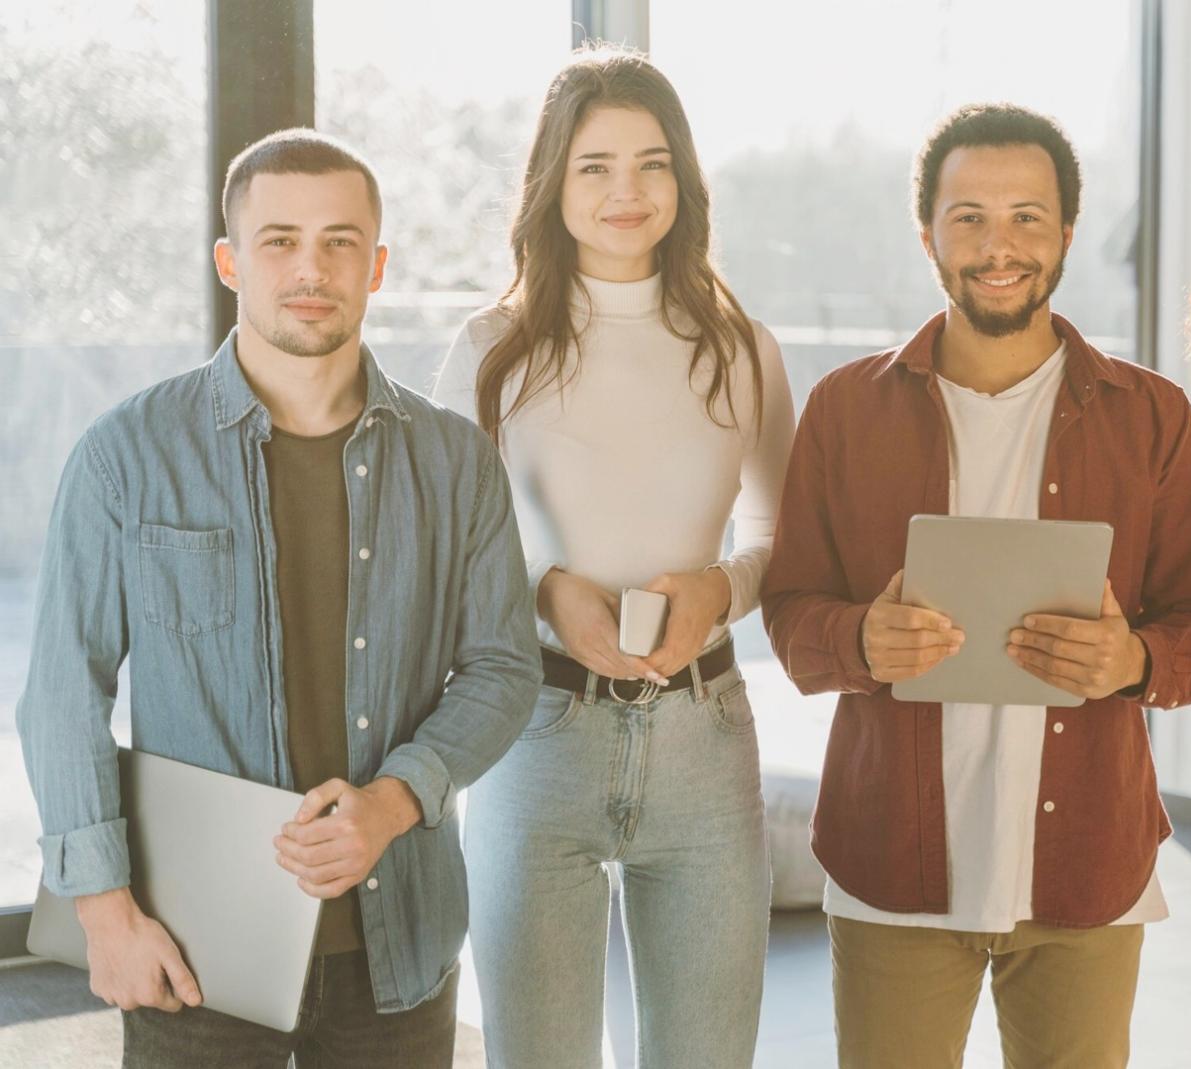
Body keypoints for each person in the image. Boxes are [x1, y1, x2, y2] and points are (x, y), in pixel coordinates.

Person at [17, 129, 544, 1067]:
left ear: (376, 265)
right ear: (230, 262)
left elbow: (504, 666)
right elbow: (62, 693)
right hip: (193, 948)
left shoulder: (456, 461)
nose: (312, 268)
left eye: (340, 241)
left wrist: (393, 801)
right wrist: (104, 912)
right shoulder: (125, 454)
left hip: (399, 947)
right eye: (280, 241)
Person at [759, 103, 1191, 1069]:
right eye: (968, 217)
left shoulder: (1151, 415)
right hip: (889, 859)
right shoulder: (844, 408)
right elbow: (789, 605)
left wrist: (1133, 659)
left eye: (1026, 217)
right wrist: (857, 640)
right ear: (927, 233)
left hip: (1086, 864)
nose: (998, 246)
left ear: (1066, 232)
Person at [432, 47, 794, 1069]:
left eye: (651, 163)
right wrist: (546, 593)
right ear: (552, 185)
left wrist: (720, 589)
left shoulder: (742, 347)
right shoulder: (490, 349)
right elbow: (449, 554)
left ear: (684, 179)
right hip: (534, 734)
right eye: (594, 166)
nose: (625, 192)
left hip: (703, 739)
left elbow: (780, 538)